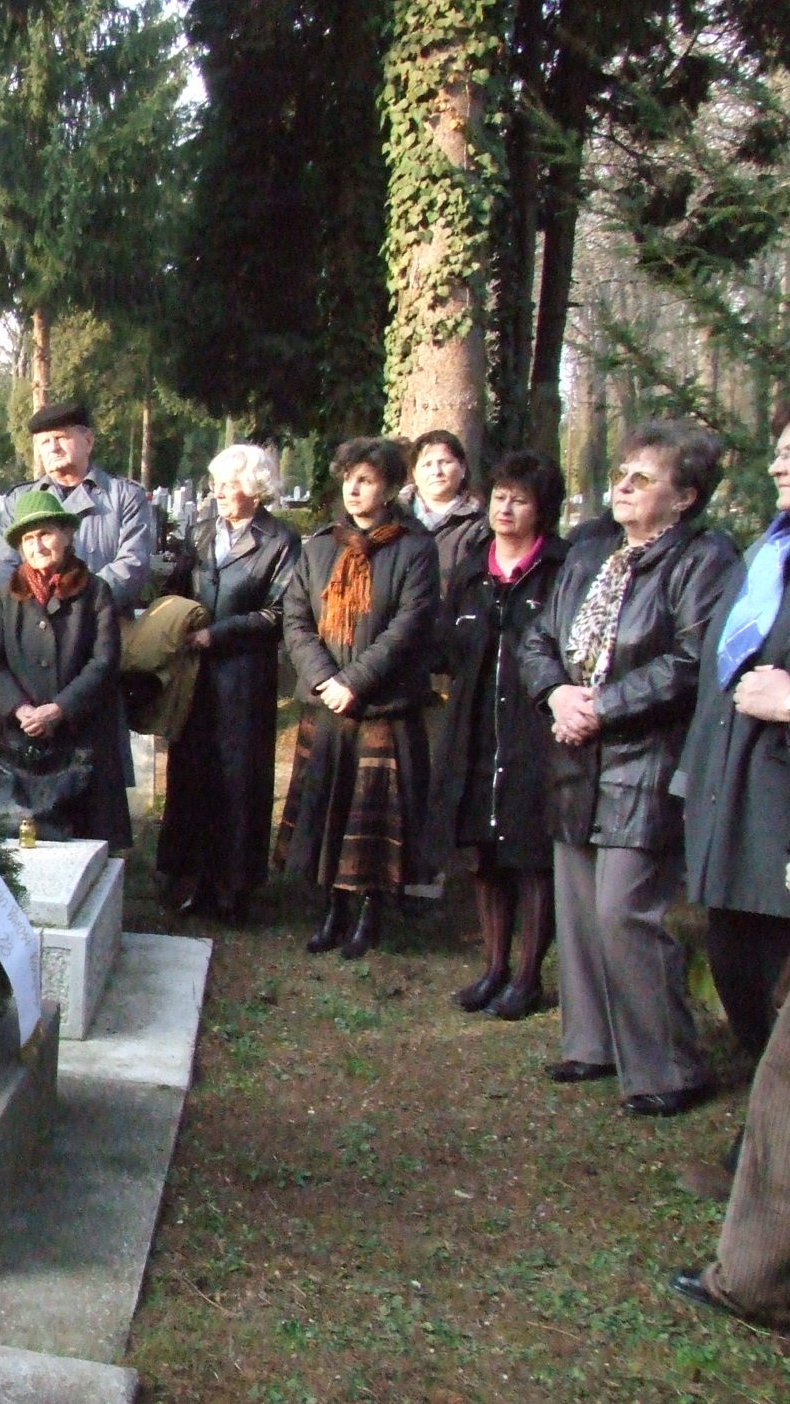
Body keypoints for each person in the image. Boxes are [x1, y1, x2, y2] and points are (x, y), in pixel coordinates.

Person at [518, 421, 741, 1116]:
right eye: (620, 473)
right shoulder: (592, 550)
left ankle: (669, 1068)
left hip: (647, 760)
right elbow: (538, 637)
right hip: (573, 754)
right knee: (580, 909)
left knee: (626, 912)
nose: (622, 486)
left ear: (685, 496)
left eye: (643, 478)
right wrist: (557, 694)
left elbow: (691, 661)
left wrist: (603, 707)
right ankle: (593, 1044)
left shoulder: (703, 560)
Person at [275, 437, 440, 958]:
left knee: (373, 815)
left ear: (389, 488)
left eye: (366, 480)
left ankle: (371, 912)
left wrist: (355, 682)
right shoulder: (320, 546)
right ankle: (333, 909)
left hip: (383, 705)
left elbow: (408, 626)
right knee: (331, 806)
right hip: (327, 704)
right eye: (349, 478)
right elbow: (297, 619)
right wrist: (325, 679)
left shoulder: (415, 548)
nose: (353, 489)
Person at [425, 450, 567, 1021]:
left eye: (520, 500)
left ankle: (528, 977)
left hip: (534, 731)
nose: (505, 509)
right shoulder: (470, 570)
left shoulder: (560, 569)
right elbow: (445, 648)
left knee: (529, 854)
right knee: (483, 853)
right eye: (500, 497)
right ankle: (494, 967)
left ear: (542, 510)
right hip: (475, 727)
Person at [676, 414, 790, 1061]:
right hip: (735, 795)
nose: (777, 465)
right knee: (735, 955)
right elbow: (715, 678)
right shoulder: (763, 556)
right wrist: (692, 778)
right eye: (778, 451)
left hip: (780, 805)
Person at [156, 444, 301, 920]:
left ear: (255, 489)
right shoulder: (200, 531)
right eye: (216, 482)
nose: (219, 492)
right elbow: (178, 586)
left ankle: (234, 888)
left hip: (244, 676)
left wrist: (216, 634)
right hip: (195, 676)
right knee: (190, 773)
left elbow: (280, 612)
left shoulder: (280, 540)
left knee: (239, 780)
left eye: (231, 484)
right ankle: (189, 878)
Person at [0, 490, 132, 846]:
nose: (37, 546)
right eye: (27, 539)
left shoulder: (96, 592)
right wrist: (20, 709)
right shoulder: (6, 596)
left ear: (66, 534)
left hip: (83, 736)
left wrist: (59, 709)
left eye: (45, 534)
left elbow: (104, 661)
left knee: (87, 844)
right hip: (21, 736)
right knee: (21, 843)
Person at [0, 399, 154, 612]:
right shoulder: (19, 499)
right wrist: (38, 613)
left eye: (61, 438)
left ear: (88, 440)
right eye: (44, 442)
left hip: (102, 618)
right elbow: (3, 566)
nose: (53, 448)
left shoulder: (126, 496)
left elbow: (133, 565)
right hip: (33, 620)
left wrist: (75, 607)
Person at [403, 429, 490, 586]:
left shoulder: (480, 524)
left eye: (444, 462)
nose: (436, 472)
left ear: (462, 468)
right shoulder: (395, 514)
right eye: (427, 464)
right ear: (414, 473)